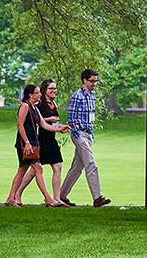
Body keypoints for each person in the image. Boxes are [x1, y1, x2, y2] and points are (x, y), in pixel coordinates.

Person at [5, 84, 69, 207]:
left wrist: (60, 129)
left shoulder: (35, 108)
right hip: (25, 143)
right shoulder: (25, 106)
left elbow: (44, 125)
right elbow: (20, 125)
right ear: (30, 95)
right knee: (38, 169)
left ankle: (11, 198)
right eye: (37, 92)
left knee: (22, 171)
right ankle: (48, 199)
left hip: (33, 143)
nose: (40, 94)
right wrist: (27, 142)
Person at [60, 69, 111, 208]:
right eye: (92, 81)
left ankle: (61, 196)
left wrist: (90, 134)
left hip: (88, 134)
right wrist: (77, 134)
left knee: (77, 167)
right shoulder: (77, 96)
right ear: (84, 80)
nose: (94, 84)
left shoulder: (92, 96)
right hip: (79, 134)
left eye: (96, 81)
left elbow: (91, 116)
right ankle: (97, 197)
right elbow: (71, 118)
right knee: (91, 164)